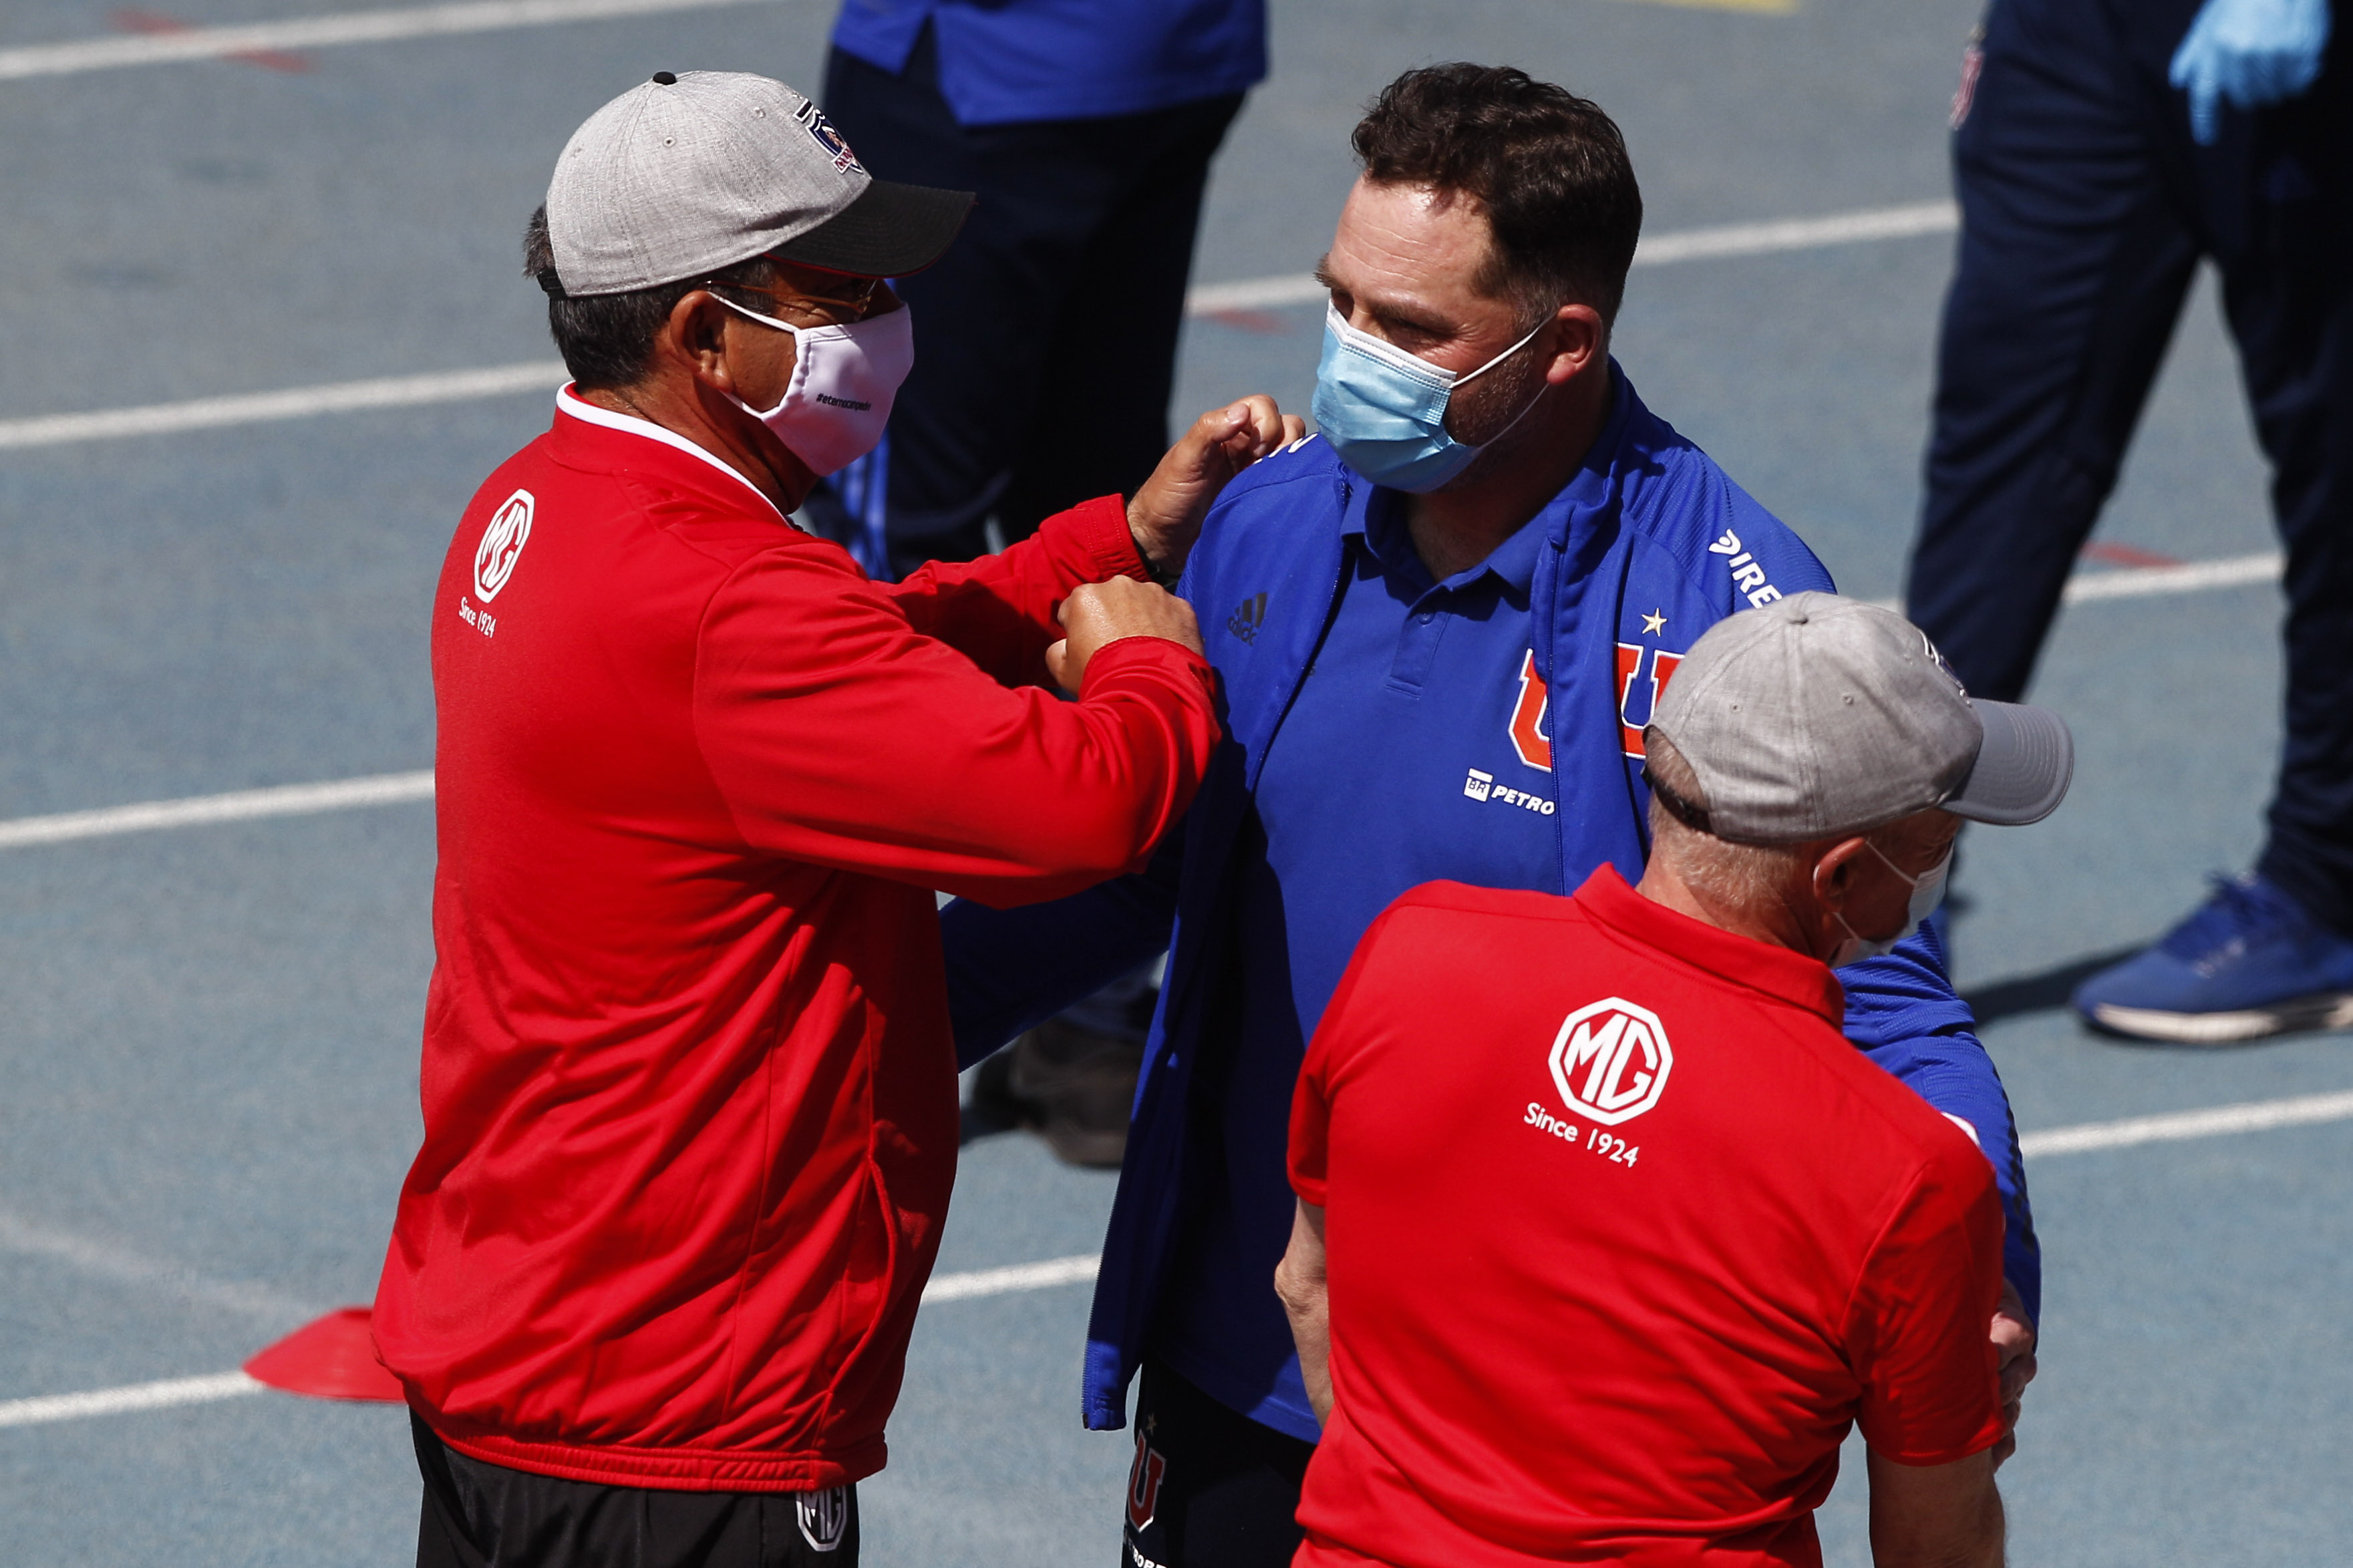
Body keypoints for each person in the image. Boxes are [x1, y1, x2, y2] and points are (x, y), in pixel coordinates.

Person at [941, 65, 2042, 1568]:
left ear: (1565, 343)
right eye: (1339, 304)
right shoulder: (1267, 517)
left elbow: (1883, 996)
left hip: (1525, 1427)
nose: (1348, 361)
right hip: (1242, 1334)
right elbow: (1153, 866)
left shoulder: (1725, 623)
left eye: (1407, 331)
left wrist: (1999, 1272)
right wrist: (868, 1021)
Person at [371, 69, 1299, 1568]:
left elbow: (866, 649)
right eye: (839, 286)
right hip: (680, 1411)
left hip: (525, 1340)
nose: (882, 321)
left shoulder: (540, 503)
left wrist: (1108, 539)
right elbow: (1080, 807)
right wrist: (1144, 653)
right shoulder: (731, 602)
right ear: (703, 336)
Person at [1277, 592, 2070, 1568]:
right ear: (1840, 879)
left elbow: (1308, 1287)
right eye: (1938, 840)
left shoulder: (1410, 952)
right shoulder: (1909, 1174)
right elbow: (1932, 1544)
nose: (1944, 863)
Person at [808, 0, 1269, 1165]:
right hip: (1171, 53)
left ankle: (848, 1039)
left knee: (889, 541)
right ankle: (1096, 1022)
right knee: (1110, 497)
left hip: (982, 69)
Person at [1906, 0, 2347, 1042]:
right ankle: (1891, 868)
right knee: (2004, 437)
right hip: (2081, 29)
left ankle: (2326, 886)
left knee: (2332, 458)